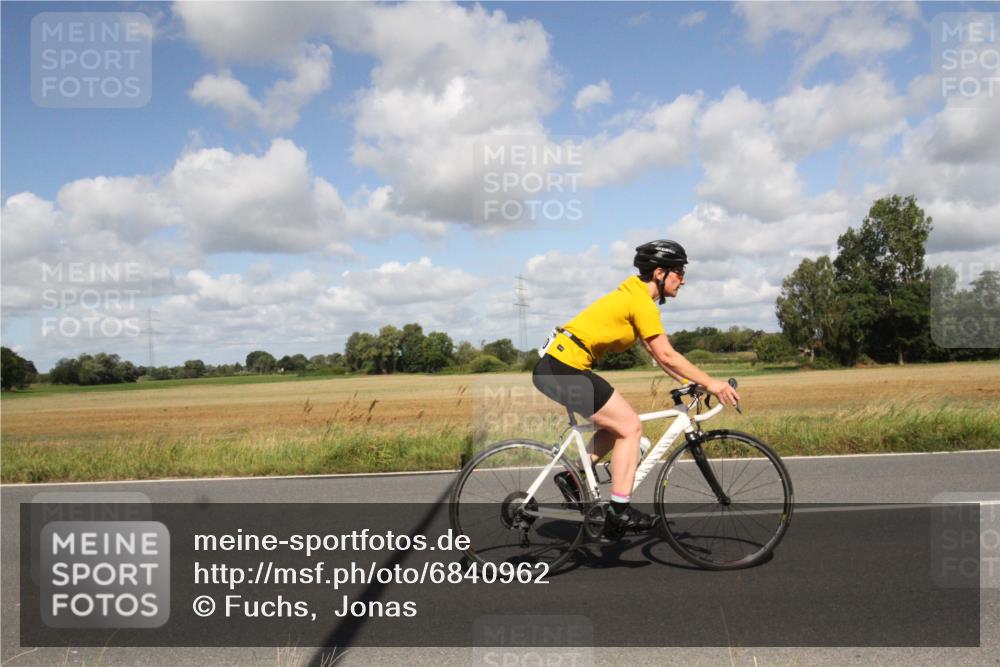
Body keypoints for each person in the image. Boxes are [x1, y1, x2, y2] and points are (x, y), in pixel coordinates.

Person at [532, 240, 741, 538]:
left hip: (561, 367)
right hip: (563, 369)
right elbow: (667, 354)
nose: (683, 280)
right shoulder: (641, 302)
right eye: (679, 272)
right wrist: (711, 383)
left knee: (617, 425)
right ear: (659, 273)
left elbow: (657, 354)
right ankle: (619, 512)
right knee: (629, 427)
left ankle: (573, 477)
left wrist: (688, 382)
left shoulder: (635, 297)